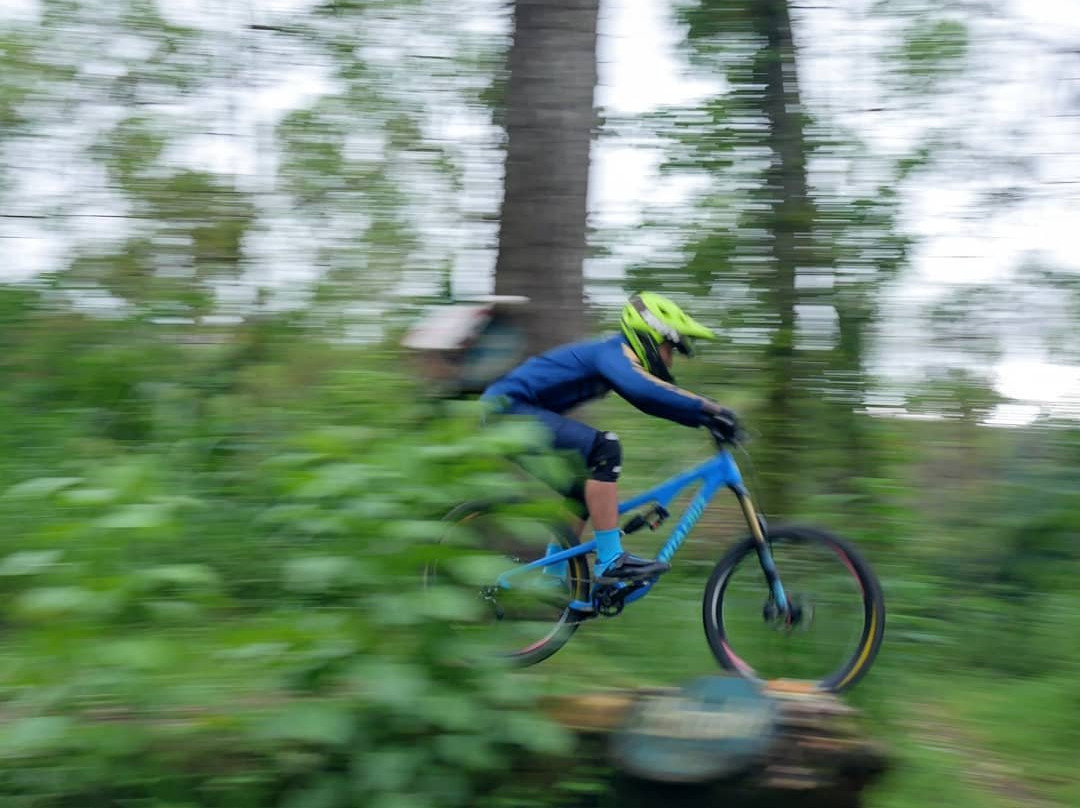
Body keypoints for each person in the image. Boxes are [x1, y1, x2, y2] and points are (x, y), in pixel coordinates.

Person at [481, 292, 739, 583]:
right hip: (508, 412)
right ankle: (610, 560)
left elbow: (650, 401)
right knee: (605, 448)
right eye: (670, 348)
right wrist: (711, 408)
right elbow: (645, 390)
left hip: (505, 415)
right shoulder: (613, 352)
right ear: (650, 336)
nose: (670, 361)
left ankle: (551, 580)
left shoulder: (612, 356)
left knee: (582, 490)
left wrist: (704, 418)